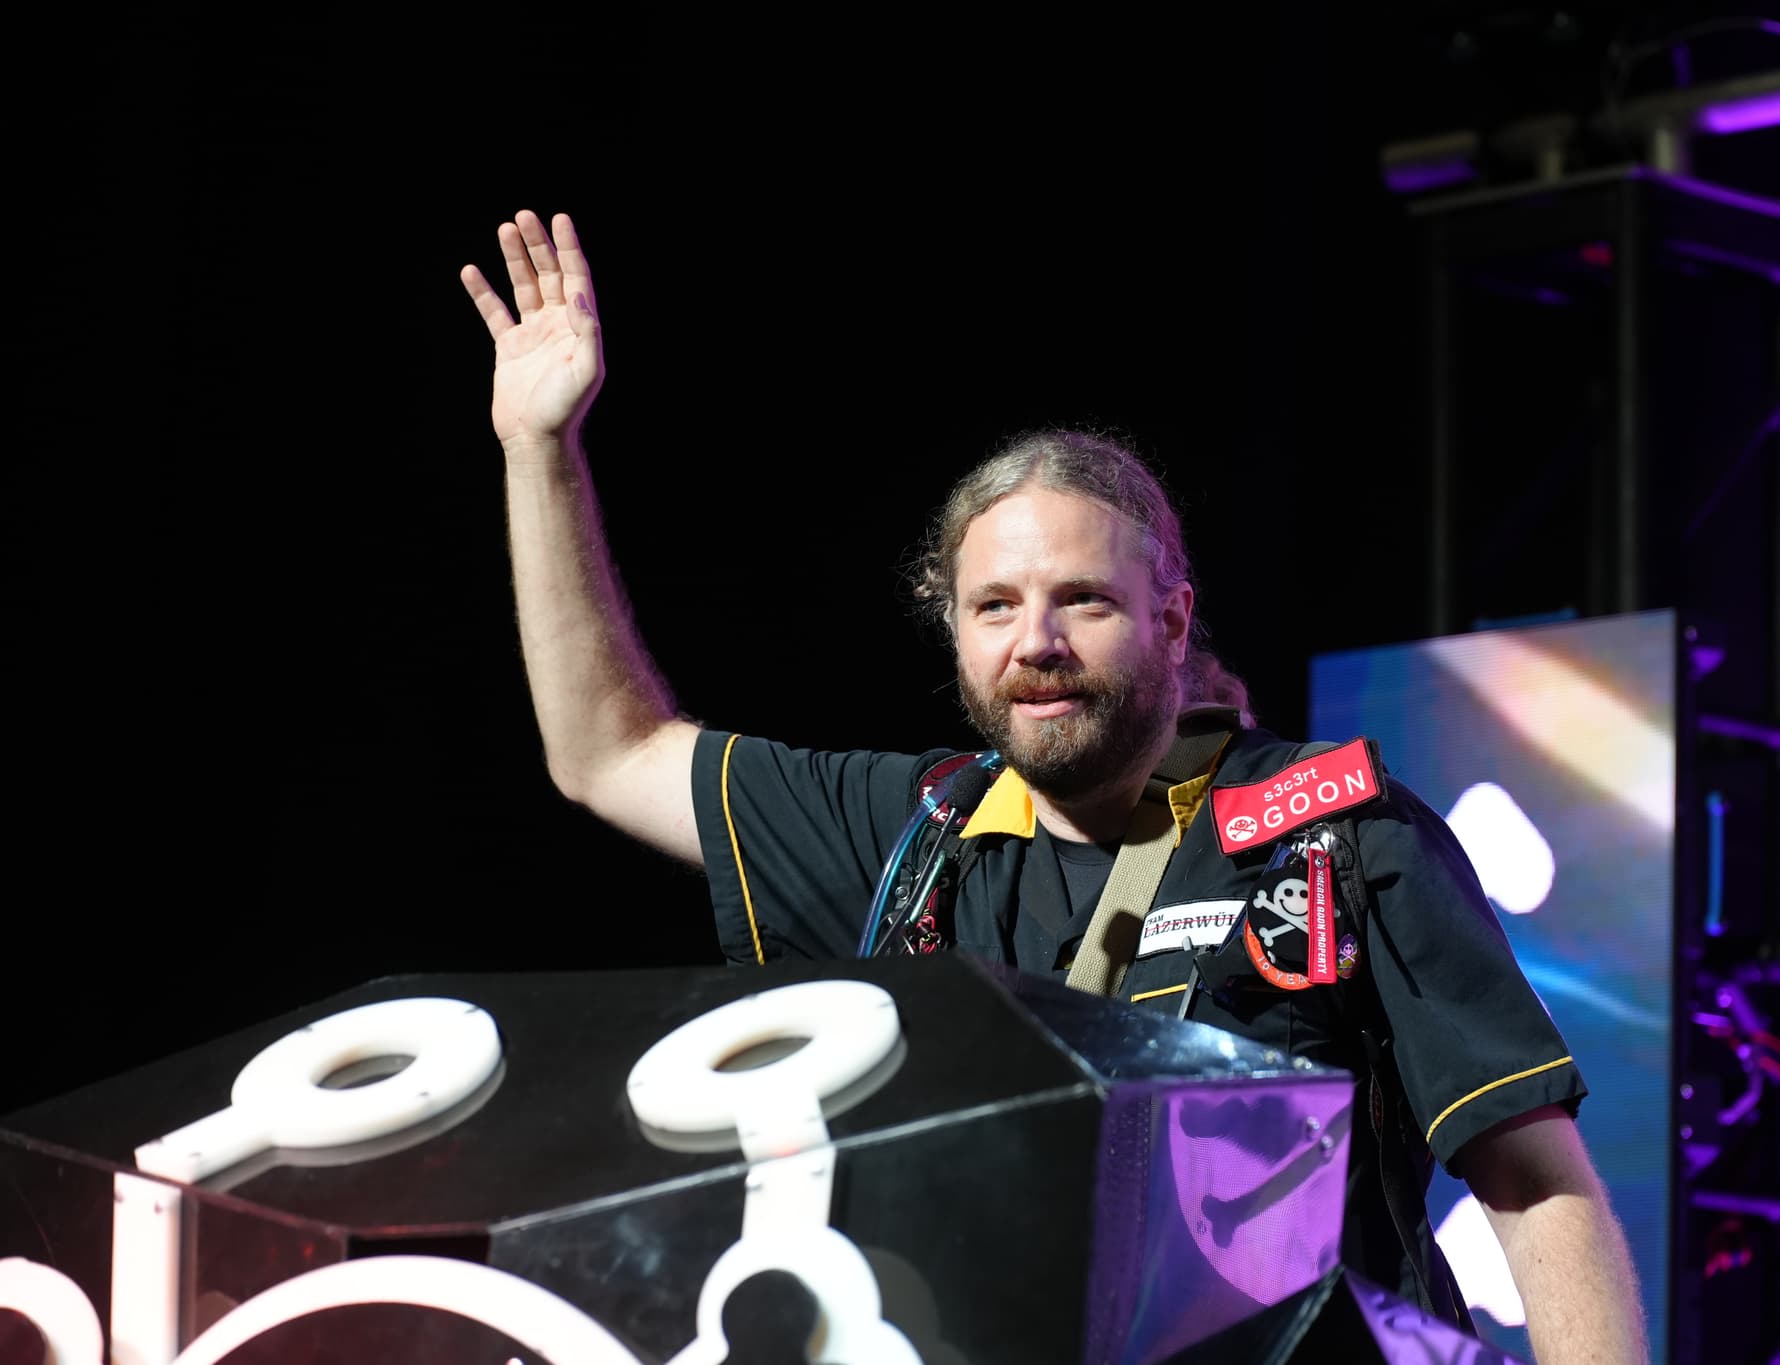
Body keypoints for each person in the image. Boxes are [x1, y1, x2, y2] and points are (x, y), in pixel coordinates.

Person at [461, 209, 1649, 1365]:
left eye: (1081, 599)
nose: (1035, 641)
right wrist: (539, 453)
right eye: (993, 606)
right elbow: (606, 756)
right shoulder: (903, 832)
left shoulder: (1339, 838)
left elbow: (1536, 1189)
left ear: (1170, 620)